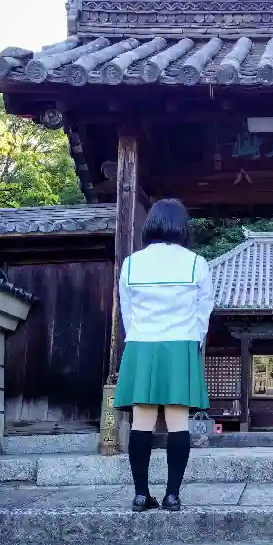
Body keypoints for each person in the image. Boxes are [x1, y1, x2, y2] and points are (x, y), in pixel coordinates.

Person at [113, 198, 213, 512]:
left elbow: (127, 312)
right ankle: (172, 495)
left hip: (141, 344)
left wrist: (139, 336)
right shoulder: (196, 263)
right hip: (181, 344)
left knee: (141, 422)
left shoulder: (131, 263)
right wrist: (193, 341)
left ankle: (141, 495)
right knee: (177, 422)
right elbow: (203, 312)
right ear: (182, 226)